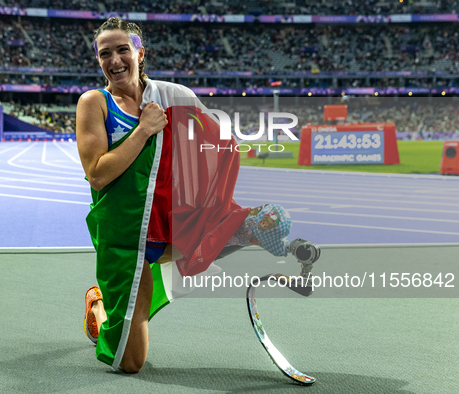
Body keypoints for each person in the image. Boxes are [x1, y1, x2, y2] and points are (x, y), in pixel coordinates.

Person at [76, 17, 319, 374]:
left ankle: (248, 230)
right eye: (105, 53)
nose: (114, 60)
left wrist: (209, 198)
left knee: (266, 220)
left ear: (140, 53)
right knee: (130, 362)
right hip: (123, 234)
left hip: (170, 224)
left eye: (122, 50)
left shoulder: (174, 96)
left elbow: (217, 144)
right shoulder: (94, 102)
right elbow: (97, 175)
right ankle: (98, 305)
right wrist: (144, 130)